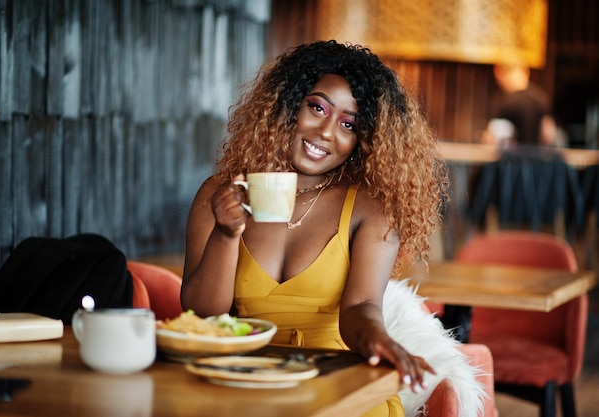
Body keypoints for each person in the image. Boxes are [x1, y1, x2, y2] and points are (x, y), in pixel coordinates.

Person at [181, 40, 448, 417]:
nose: (325, 131)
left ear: (363, 139)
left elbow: (361, 307)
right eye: (317, 107)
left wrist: (378, 338)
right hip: (247, 382)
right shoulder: (220, 193)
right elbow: (203, 315)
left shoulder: (370, 209)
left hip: (338, 387)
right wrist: (226, 234)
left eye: (348, 123)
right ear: (288, 105)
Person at [482, 63, 557, 146]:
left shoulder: (505, 102)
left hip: (511, 158)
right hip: (535, 156)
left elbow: (492, 138)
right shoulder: (541, 98)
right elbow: (548, 135)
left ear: (500, 73)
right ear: (527, 72)